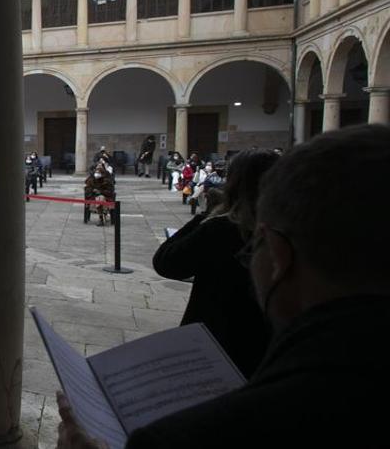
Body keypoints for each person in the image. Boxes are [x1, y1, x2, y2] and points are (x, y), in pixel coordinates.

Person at [58, 124, 390, 449]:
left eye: (254, 247)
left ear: (277, 254)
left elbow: (167, 261)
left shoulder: (190, 436)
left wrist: (210, 214)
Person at [152, 150, 277, 378]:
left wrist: (207, 215)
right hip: (268, 348)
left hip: (213, 341)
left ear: (234, 184)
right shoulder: (291, 230)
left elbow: (166, 261)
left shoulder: (223, 229)